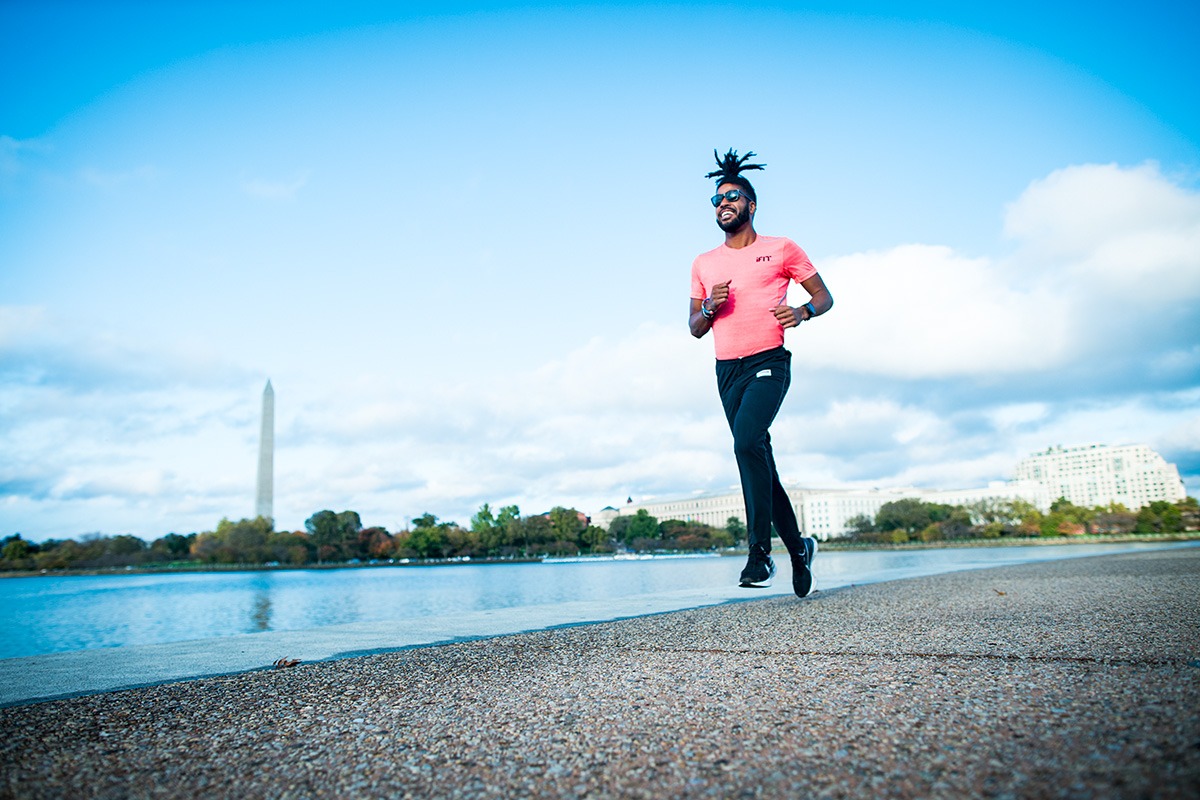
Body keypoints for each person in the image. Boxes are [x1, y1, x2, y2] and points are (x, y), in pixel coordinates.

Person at [689, 149, 833, 597]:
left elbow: (825, 297)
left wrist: (803, 311)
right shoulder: (703, 263)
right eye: (716, 199)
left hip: (769, 361)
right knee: (759, 462)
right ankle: (799, 547)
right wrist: (710, 307)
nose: (722, 203)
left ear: (751, 205)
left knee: (746, 443)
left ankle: (759, 554)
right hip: (727, 371)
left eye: (732, 196)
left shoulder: (781, 249)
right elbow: (694, 328)